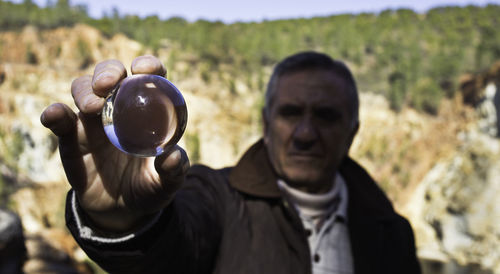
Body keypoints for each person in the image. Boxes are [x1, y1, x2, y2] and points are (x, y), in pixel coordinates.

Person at [40, 52, 421, 274]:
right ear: (266, 123)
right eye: (290, 113)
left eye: (326, 116)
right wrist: (123, 220)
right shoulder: (218, 198)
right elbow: (177, 246)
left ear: (353, 131)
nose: (306, 133)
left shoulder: (391, 234)